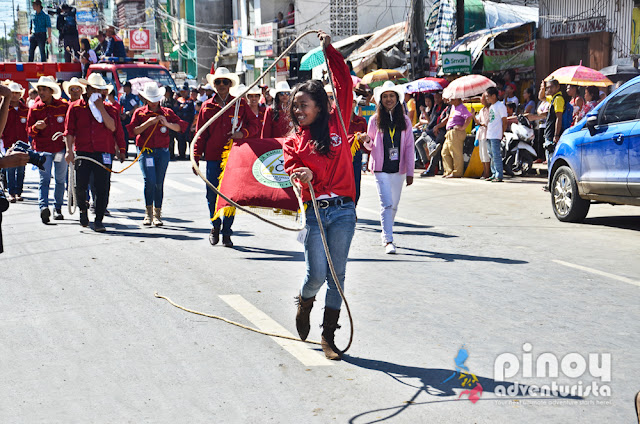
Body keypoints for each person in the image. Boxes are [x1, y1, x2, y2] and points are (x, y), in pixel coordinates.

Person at [283, 31, 354, 361]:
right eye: (294, 107)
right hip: (315, 212)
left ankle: (328, 337)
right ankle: (304, 300)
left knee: (337, 278)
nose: (298, 111)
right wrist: (304, 175)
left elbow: (343, 82)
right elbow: (292, 168)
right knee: (316, 276)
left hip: (343, 211)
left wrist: (330, 51)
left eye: (303, 105)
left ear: (321, 106)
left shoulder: (339, 120)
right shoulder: (293, 142)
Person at [193, 67, 260, 248]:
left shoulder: (240, 104)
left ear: (230, 84)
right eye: (218, 82)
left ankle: (227, 232)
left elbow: (255, 125)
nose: (221, 85)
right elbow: (201, 133)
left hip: (234, 157)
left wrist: (242, 133)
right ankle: (215, 226)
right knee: (211, 195)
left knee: (232, 196)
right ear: (213, 85)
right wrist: (195, 157)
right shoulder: (207, 106)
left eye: (225, 82)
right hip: (213, 157)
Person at [64, 74, 126, 232]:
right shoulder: (76, 107)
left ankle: (99, 219)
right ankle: (83, 210)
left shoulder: (110, 109)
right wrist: (68, 150)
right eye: (95, 89)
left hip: (104, 152)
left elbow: (114, 128)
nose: (98, 93)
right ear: (88, 89)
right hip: (83, 151)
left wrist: (122, 149)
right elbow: (69, 131)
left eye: (101, 90)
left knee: (102, 187)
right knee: (80, 186)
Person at [361, 80, 414, 254]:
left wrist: (410, 172)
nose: (389, 99)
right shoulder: (375, 120)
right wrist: (367, 141)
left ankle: (386, 231)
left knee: (395, 205)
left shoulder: (405, 121)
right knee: (387, 204)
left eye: (391, 96)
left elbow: (409, 147)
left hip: (398, 169)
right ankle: (388, 239)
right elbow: (369, 146)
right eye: (385, 96)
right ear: (381, 99)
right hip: (380, 168)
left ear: (397, 99)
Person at [127, 83, 188, 226]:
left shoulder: (167, 112)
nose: (154, 102)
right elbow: (133, 131)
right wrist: (148, 123)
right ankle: (148, 213)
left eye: (156, 99)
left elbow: (180, 127)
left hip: (162, 151)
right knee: (150, 181)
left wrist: (166, 124)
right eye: (151, 99)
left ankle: (157, 214)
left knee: (159, 183)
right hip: (146, 150)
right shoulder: (140, 112)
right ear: (146, 99)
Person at [26, 76, 69, 223]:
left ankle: (58, 208)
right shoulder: (34, 108)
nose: (41, 92)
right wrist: (35, 128)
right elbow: (29, 131)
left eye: (44, 89)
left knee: (60, 180)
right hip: (43, 150)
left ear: (51, 91)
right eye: (39, 89)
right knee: (44, 179)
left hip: (60, 149)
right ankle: (43, 207)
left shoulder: (63, 106)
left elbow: (70, 127)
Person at [2, 82, 29, 202]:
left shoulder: (26, 110)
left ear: (20, 94)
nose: (14, 95)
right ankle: (11, 192)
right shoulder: (4, 109)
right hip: (8, 141)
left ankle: (19, 192)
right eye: (12, 93)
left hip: (23, 143)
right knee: (10, 168)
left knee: (21, 169)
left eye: (17, 93)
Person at [415, 91, 447, 177]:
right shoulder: (435, 107)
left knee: (434, 145)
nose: (436, 99)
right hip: (431, 130)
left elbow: (444, 120)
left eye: (438, 97)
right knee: (419, 143)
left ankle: (431, 169)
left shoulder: (445, 107)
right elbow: (431, 121)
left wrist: (437, 127)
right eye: (435, 98)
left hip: (439, 130)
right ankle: (426, 163)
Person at [441, 96, 472, 178]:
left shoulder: (462, 107)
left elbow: (469, 117)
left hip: (456, 132)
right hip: (449, 132)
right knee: (445, 152)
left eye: (452, 99)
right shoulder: (453, 107)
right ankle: (448, 171)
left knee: (456, 153)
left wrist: (463, 127)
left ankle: (457, 172)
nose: (450, 100)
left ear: (458, 99)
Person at [485, 86, 508, 182]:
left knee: (496, 155)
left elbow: (504, 121)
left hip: (496, 134)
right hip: (489, 134)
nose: (487, 98)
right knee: (491, 155)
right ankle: (494, 173)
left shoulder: (500, 106)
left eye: (488, 96)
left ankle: (499, 175)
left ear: (494, 96)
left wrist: (502, 132)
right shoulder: (491, 107)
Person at [348, 93, 367, 205]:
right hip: (341, 156)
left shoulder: (361, 120)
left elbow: (367, 141)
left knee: (356, 183)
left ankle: (353, 208)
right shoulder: (337, 120)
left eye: (352, 101)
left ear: (355, 104)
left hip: (356, 155)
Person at [539, 79, 564, 163]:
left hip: (552, 134)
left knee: (551, 160)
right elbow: (541, 97)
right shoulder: (553, 98)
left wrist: (556, 135)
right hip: (549, 133)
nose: (549, 90)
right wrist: (542, 88)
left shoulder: (558, 99)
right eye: (547, 88)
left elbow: (559, 118)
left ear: (557, 87)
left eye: (551, 87)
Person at [474, 92, 492, 180]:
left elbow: (487, 123)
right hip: (481, 133)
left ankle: (487, 173)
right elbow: (478, 122)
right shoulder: (481, 110)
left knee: (486, 154)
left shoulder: (490, 110)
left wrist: (481, 124)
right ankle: (485, 171)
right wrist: (473, 115)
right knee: (482, 154)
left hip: (487, 133)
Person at [176, 85, 196, 160]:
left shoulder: (191, 101)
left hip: (188, 123)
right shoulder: (178, 100)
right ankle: (181, 154)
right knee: (181, 139)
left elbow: (193, 113)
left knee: (189, 139)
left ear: (187, 92)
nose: (183, 93)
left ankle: (191, 155)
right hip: (180, 123)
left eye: (184, 92)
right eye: (181, 92)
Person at [119, 81, 140, 147]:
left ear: (129, 88)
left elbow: (136, 107)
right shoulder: (122, 97)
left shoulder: (132, 97)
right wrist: (121, 115)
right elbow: (120, 107)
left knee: (134, 134)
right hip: (124, 118)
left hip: (132, 117)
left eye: (125, 87)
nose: (124, 88)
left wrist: (129, 113)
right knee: (125, 135)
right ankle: (125, 151)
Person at [161, 86, 180, 160]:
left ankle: (171, 154)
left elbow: (175, 111)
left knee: (171, 139)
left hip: (172, 123)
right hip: (164, 122)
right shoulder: (163, 100)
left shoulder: (174, 101)